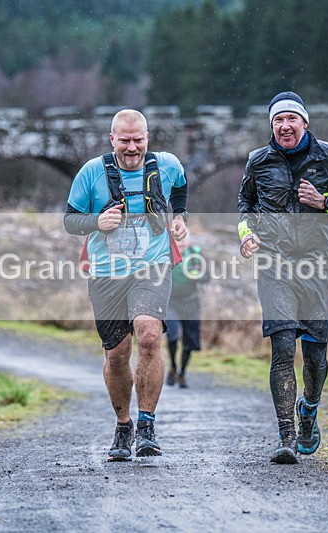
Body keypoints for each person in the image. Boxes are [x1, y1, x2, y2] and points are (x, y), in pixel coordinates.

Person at [237, 91, 328, 464]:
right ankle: (286, 436)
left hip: (318, 267)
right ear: (272, 126)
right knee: (282, 349)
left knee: (315, 355)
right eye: (278, 120)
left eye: (292, 119)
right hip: (274, 266)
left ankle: (308, 409)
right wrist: (247, 235)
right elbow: (245, 206)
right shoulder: (257, 162)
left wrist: (325, 201)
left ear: (305, 123)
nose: (285, 126)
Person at [64, 109, 189, 461]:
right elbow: (70, 220)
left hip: (153, 265)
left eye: (138, 140)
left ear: (147, 138)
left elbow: (180, 188)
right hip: (106, 273)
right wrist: (97, 221)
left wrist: (178, 218)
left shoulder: (166, 165)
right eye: (125, 140)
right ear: (112, 139)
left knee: (149, 335)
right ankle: (124, 425)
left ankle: (147, 424)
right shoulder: (91, 172)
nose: (132, 147)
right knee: (117, 355)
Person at [165, 234, 206, 389]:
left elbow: (207, 276)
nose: (180, 242)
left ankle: (182, 372)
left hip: (191, 302)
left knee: (190, 341)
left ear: (188, 240)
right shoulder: (166, 253)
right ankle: (173, 366)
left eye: (183, 239)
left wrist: (198, 275)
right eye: (177, 239)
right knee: (172, 335)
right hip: (171, 302)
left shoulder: (195, 254)